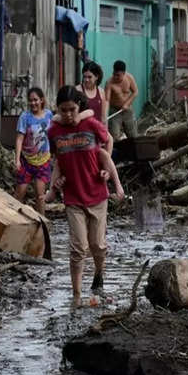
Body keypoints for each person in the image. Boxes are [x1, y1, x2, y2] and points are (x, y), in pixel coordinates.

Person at [47, 86, 112, 307]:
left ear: (79, 107)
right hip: (73, 197)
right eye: (63, 110)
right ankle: (76, 294)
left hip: (97, 193)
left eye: (72, 109)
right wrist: (55, 185)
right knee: (78, 247)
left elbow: (108, 141)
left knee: (97, 245)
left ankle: (99, 273)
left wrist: (106, 168)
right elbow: (57, 160)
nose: (68, 114)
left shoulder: (91, 125)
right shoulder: (54, 131)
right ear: (58, 109)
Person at [14, 87, 53, 215]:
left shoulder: (49, 115)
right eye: (30, 101)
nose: (33, 103)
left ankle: (42, 225)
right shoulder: (25, 117)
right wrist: (17, 160)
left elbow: (53, 135)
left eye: (35, 100)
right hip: (26, 161)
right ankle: (13, 220)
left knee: (40, 195)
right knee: (20, 193)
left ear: (41, 100)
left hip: (43, 161)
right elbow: (19, 139)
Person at [104, 60, 139, 140]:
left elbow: (135, 91)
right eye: (114, 74)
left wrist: (127, 104)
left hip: (128, 110)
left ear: (124, 73)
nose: (115, 77)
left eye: (118, 75)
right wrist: (105, 116)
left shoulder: (129, 78)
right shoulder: (109, 83)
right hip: (115, 112)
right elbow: (107, 100)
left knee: (133, 136)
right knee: (114, 136)